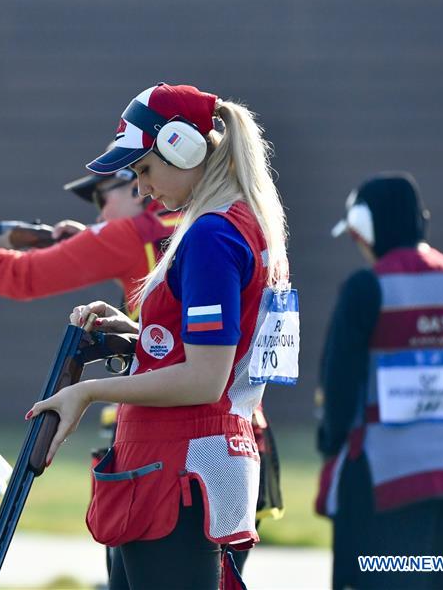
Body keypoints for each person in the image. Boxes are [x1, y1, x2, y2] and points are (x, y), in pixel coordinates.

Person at [23, 82, 292, 589]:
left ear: (183, 148)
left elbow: (205, 379)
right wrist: (137, 335)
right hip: (197, 464)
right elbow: (213, 357)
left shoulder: (213, 233)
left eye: (144, 169)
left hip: (178, 471)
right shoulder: (241, 224)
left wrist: (88, 390)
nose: (141, 188)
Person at [316, 172, 443, 589]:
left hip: (380, 489)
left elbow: (338, 384)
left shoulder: (366, 288)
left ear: (366, 230)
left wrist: (331, 439)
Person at [0, 165, 178, 320]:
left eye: (101, 200)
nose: (100, 216)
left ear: (136, 190)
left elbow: (21, 276)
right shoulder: (187, 219)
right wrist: (88, 241)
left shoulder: (129, 235)